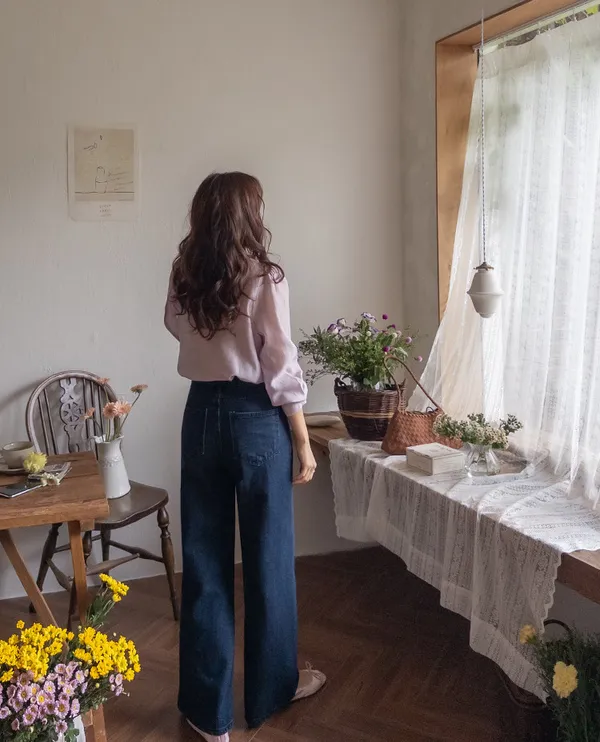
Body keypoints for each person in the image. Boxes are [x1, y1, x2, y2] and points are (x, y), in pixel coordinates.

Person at [164, 172, 326, 742]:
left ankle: (208, 715)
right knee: (269, 559)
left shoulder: (184, 272)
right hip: (257, 417)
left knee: (204, 561)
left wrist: (214, 345)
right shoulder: (265, 276)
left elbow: (173, 326)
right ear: (247, 214)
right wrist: (302, 440)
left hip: (201, 413)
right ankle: (272, 690)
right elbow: (280, 362)